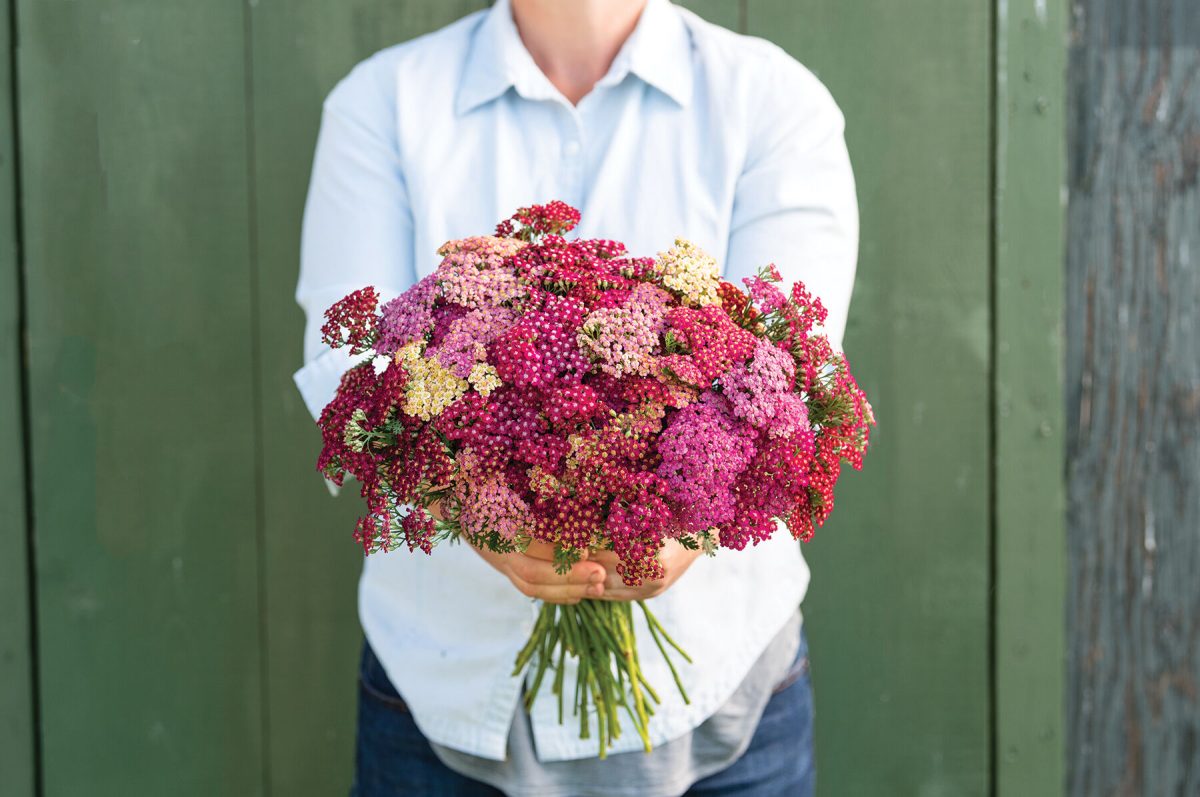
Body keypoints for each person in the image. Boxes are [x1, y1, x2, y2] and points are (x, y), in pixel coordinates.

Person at [294, 0, 858, 794]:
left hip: (719, 697)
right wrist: (481, 518)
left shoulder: (772, 100)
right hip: (441, 691)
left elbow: (794, 378)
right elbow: (344, 367)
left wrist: (688, 530)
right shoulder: (382, 102)